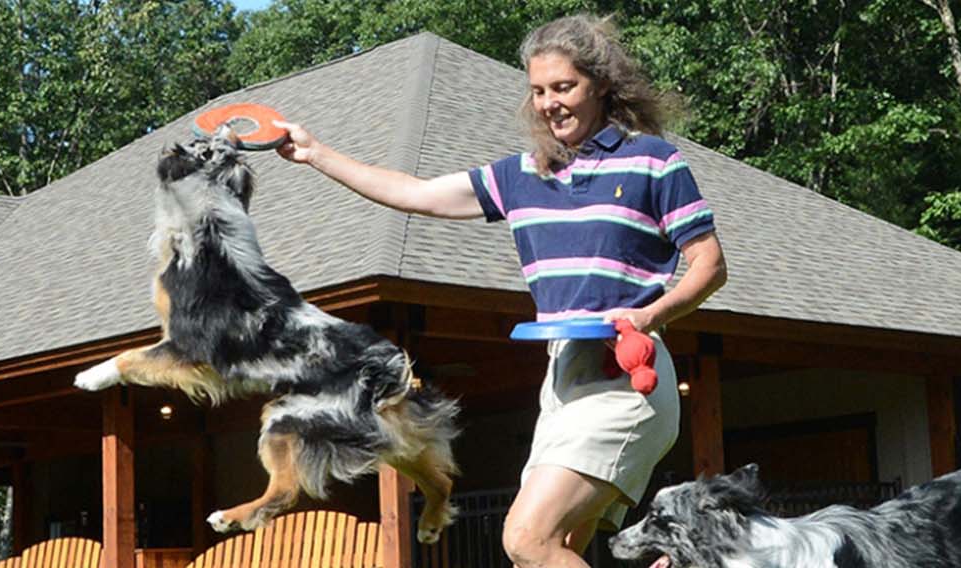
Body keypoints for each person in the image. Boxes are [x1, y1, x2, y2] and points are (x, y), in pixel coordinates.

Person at [272, 13, 727, 568]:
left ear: (601, 86)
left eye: (564, 87)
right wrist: (316, 153)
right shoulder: (522, 175)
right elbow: (416, 193)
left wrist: (648, 316)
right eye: (538, 91)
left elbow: (709, 265)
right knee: (552, 553)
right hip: (561, 381)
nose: (549, 103)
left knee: (526, 540)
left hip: (625, 378)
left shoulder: (652, 161)